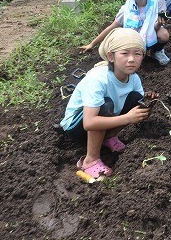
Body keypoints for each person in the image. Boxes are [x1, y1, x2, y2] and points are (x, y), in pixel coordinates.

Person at [61, 28, 157, 178]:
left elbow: (137, 107)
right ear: (111, 56)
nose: (131, 59)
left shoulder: (134, 79)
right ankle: (89, 160)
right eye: (125, 53)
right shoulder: (98, 79)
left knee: (136, 97)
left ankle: (108, 137)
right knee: (104, 105)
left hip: (102, 122)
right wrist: (128, 118)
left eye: (137, 53)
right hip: (77, 127)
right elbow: (89, 123)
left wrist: (147, 107)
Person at [80, 0, 171, 66]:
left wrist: (160, 23)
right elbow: (111, 27)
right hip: (133, 41)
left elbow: (155, 27)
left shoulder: (158, 0)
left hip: (150, 37)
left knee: (163, 34)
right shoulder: (126, 9)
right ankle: (135, 55)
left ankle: (156, 52)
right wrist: (92, 44)